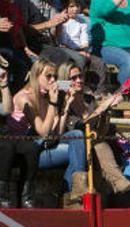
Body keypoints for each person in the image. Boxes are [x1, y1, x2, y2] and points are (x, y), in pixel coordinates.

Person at [10, 59, 87, 207]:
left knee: (76, 134)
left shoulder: (45, 97)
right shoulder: (24, 98)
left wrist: (65, 107)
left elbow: (56, 134)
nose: (53, 80)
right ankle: (68, 194)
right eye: (48, 76)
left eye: (55, 77)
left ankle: (74, 191)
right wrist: (53, 103)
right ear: (36, 76)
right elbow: (44, 132)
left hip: (43, 145)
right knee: (76, 151)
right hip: (27, 152)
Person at [56, 62, 130, 196]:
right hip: (71, 141)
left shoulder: (89, 98)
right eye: (73, 78)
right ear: (65, 80)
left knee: (98, 141)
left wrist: (106, 112)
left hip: (93, 140)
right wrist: (100, 108)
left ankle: (117, 182)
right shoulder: (60, 99)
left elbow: (100, 131)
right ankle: (118, 180)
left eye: (80, 76)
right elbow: (55, 84)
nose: (79, 80)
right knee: (98, 142)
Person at [89, 0, 130, 85]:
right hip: (106, 47)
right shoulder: (98, 1)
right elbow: (105, 10)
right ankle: (124, 92)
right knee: (128, 60)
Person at [0, 64, 39, 208]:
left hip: (5, 137)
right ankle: (2, 197)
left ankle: (26, 196)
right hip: (5, 143)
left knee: (31, 148)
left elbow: (7, 110)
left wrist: (4, 85)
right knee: (7, 147)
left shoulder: (2, 90)